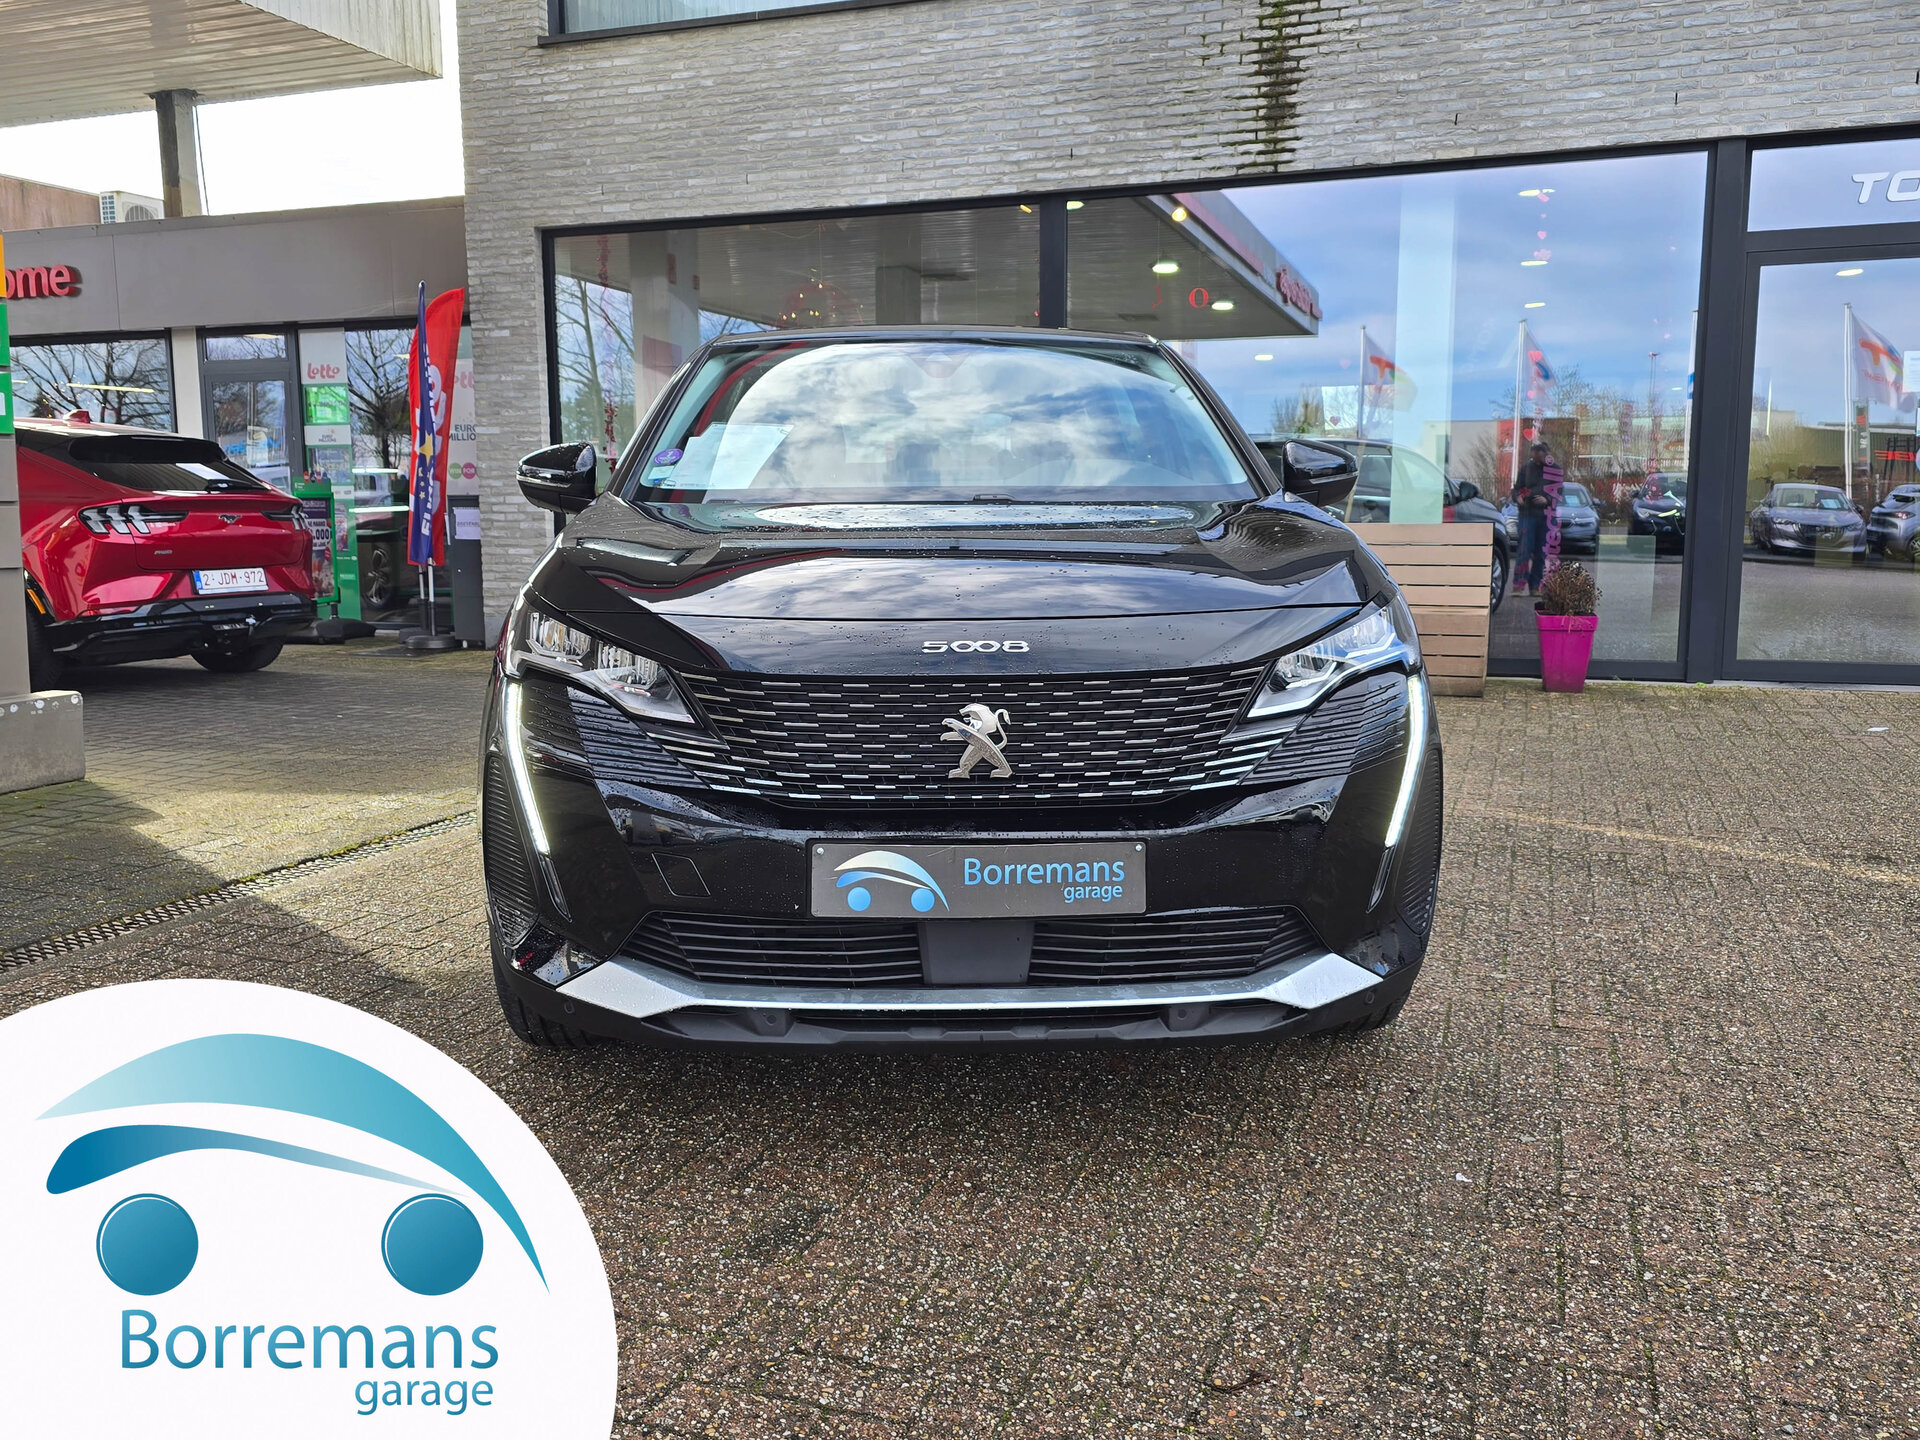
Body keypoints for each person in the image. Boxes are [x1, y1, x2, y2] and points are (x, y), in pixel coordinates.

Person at [1512, 442, 1554, 594]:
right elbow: (1516, 489)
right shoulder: (1526, 468)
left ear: (1546, 456)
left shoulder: (1553, 471)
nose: (1536, 461)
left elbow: (1558, 492)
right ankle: (1518, 585)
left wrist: (1547, 500)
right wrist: (1517, 497)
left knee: (1540, 553)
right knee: (1524, 551)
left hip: (1545, 517)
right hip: (1527, 515)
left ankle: (1535, 585)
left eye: (1539, 458)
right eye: (1534, 458)